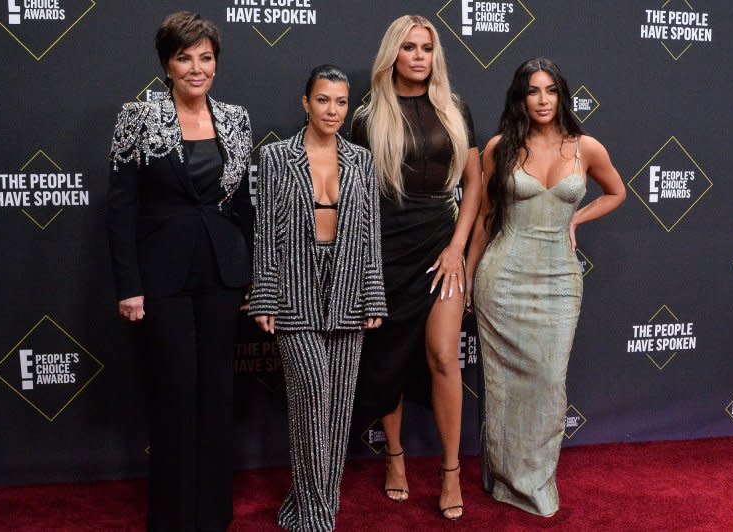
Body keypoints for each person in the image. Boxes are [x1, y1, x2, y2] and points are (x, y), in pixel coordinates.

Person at [106, 12, 253, 531]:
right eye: (184, 58)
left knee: (217, 393)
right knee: (174, 391)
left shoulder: (235, 118)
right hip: (161, 274)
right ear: (167, 64)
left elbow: (243, 206)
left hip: (220, 271)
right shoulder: (138, 118)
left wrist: (250, 276)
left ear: (216, 62)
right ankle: (172, 516)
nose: (197, 68)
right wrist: (130, 286)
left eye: (206, 57)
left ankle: (212, 514)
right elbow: (121, 208)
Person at [466, 57, 626, 517]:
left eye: (550, 90)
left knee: (549, 382)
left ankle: (536, 480)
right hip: (503, 277)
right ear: (520, 97)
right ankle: (505, 480)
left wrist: (576, 216)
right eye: (532, 91)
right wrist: (470, 276)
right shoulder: (500, 147)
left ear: (562, 96)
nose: (542, 99)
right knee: (501, 386)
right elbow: (485, 219)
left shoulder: (586, 147)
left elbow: (616, 192)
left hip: (559, 278)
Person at [351, 14, 481, 521]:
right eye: (409, 48)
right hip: (385, 248)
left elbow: (474, 184)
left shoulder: (456, 109)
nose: (420, 56)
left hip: (440, 244)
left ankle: (450, 471)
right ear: (393, 55)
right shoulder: (366, 117)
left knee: (444, 356)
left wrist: (456, 248)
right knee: (389, 359)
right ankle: (396, 458)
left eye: (427, 47)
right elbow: (352, 197)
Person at [248, 65, 387, 532]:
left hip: (348, 288)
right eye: (323, 100)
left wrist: (373, 296)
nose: (333, 110)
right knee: (311, 398)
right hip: (295, 289)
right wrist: (265, 296)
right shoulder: (274, 158)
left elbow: (370, 233)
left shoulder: (361, 160)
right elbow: (265, 231)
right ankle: (316, 517)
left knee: (338, 408)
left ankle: (311, 506)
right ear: (305, 103)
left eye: (341, 102)